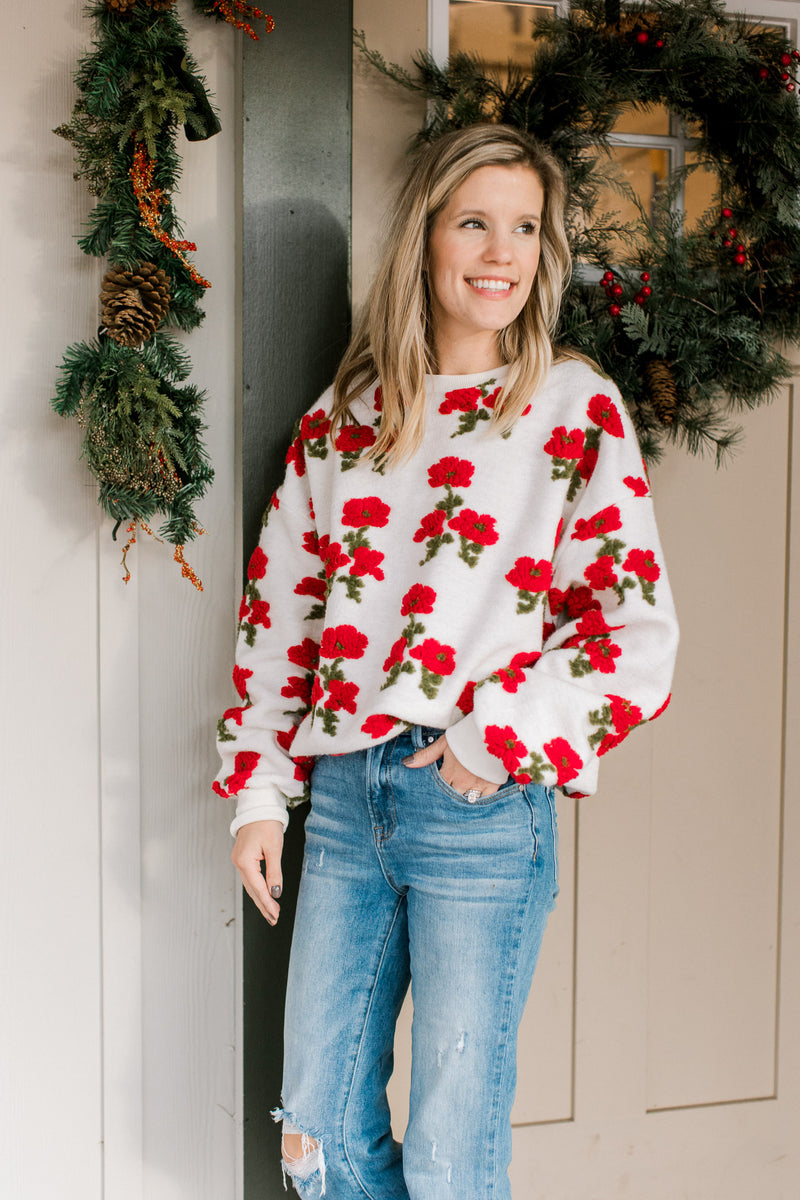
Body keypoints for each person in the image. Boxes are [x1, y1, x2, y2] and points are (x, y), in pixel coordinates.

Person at [215, 123, 678, 1199]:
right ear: (422, 239)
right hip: (339, 803)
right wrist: (257, 792)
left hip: (476, 800)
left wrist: (494, 737)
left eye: (523, 228)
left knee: (447, 1156)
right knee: (316, 1142)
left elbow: (632, 633)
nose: (500, 252)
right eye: (474, 222)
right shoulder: (344, 422)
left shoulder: (572, 410)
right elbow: (279, 617)